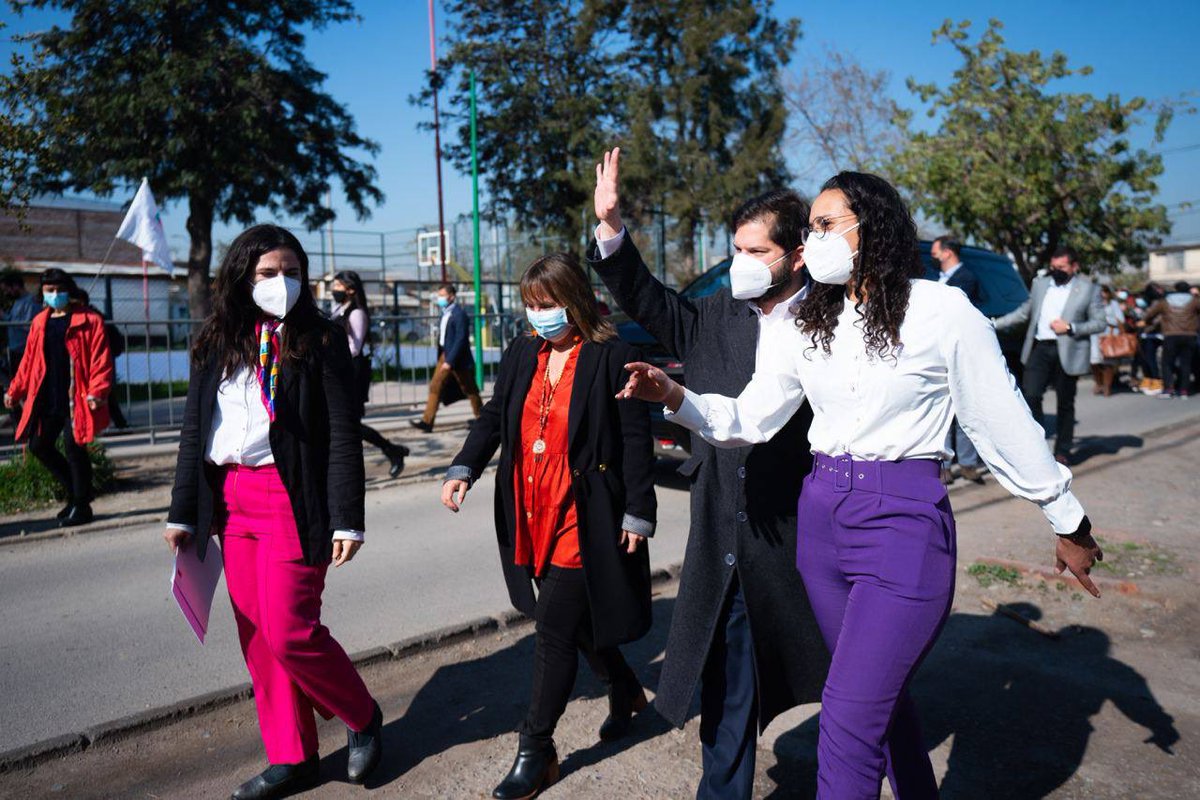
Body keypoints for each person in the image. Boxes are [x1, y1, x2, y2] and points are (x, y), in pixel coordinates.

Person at [620, 171, 1104, 800]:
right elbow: (749, 419)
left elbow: (1000, 419)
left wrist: (1066, 517)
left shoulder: (941, 311)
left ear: (871, 226)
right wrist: (674, 395)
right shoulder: (805, 321)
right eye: (811, 227)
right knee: (879, 701)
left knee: (845, 725)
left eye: (826, 225)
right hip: (821, 526)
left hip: (903, 526)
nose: (813, 239)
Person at [588, 148, 828, 800]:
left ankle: (864, 762)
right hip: (726, 523)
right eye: (735, 250)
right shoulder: (715, 313)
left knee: (839, 669)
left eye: (756, 252)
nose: (740, 263)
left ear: (796, 256)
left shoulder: (831, 318)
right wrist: (611, 228)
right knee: (727, 669)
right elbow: (648, 299)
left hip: (802, 528)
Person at [162, 225, 383, 799]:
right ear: (242, 277)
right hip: (231, 503)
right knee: (258, 637)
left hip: (292, 497)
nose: (281, 282)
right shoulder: (215, 340)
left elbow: (343, 434)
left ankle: (362, 715)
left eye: (291, 272)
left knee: (290, 631)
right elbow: (194, 430)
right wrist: (182, 512)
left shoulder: (321, 339)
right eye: (267, 272)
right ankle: (292, 757)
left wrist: (347, 517)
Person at [441, 251, 656, 800]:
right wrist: (464, 466)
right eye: (531, 305)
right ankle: (625, 687)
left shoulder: (614, 355)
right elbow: (495, 416)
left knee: (554, 630)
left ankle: (536, 750)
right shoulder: (522, 352)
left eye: (549, 303)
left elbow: (635, 440)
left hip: (583, 515)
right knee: (573, 619)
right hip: (531, 509)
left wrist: (639, 510)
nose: (539, 315)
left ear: (575, 300)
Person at [4, 268, 111, 527]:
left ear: (69, 290)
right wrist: (15, 390)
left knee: (75, 449)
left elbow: (101, 359)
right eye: (49, 290)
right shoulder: (40, 322)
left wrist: (97, 391)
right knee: (38, 445)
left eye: (59, 290)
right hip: (47, 397)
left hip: (78, 396)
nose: (55, 295)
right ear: (42, 293)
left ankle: (81, 506)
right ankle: (77, 495)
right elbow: (29, 361)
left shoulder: (89, 320)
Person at [993, 246, 1107, 464]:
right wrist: (994, 324)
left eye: (1062, 267)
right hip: (1039, 348)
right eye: (1053, 267)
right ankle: (1038, 446)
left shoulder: (1088, 289)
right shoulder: (1041, 284)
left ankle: (1063, 450)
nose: (1056, 271)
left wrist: (1071, 327)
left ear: (1074, 266)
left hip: (1068, 350)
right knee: (1031, 395)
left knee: (1065, 402)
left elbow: (1100, 322)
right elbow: (1024, 312)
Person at [330, 270, 410, 476]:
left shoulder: (357, 313)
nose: (334, 289)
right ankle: (392, 450)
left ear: (350, 289)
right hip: (340, 370)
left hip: (353, 372)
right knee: (346, 424)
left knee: (350, 425)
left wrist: (330, 354)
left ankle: (389, 451)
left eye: (338, 286)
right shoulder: (339, 309)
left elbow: (355, 347)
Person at [931, 235, 984, 483]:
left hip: (959, 350)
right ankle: (944, 464)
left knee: (963, 408)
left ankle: (967, 463)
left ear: (948, 252)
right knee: (941, 409)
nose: (933, 257)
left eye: (935, 252)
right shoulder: (938, 279)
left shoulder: (965, 279)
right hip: (936, 350)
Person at [410, 283, 483, 432]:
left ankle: (482, 418)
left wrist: (450, 361)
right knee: (435, 386)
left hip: (457, 359)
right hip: (445, 354)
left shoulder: (459, 314)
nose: (440, 298)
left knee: (470, 389)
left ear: (451, 296)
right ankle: (427, 421)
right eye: (439, 295)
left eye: (442, 295)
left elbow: (461, 339)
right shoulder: (445, 313)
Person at [1142, 280, 1200, 398]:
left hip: (1170, 334)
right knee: (1186, 363)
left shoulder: (1165, 301)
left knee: (1167, 362)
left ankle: (1168, 389)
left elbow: (1149, 315)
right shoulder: (1195, 301)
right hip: (1189, 335)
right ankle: (1184, 390)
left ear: (1176, 289)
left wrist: (1147, 322)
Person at [1089, 285, 1127, 397]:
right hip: (1095, 335)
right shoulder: (1092, 304)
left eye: (1104, 292)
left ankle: (1107, 386)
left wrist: (1105, 319)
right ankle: (1099, 383)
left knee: (1108, 363)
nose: (1102, 294)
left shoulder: (1113, 304)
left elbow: (1120, 320)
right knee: (1094, 362)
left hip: (1109, 335)